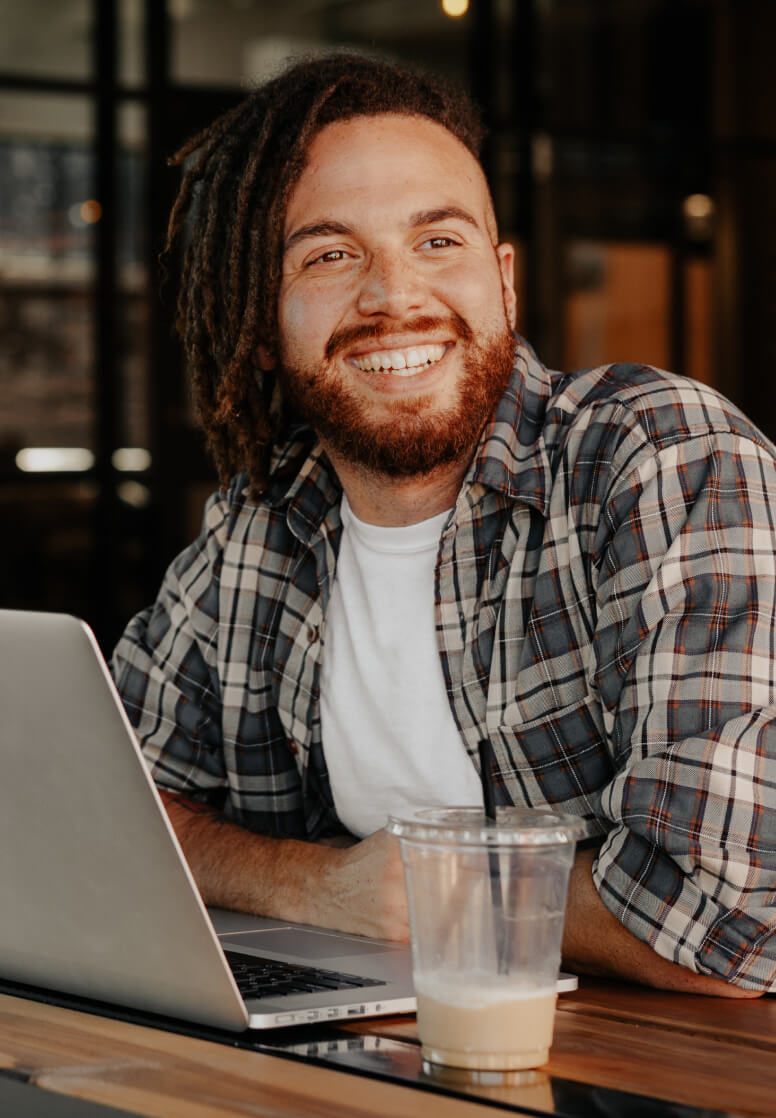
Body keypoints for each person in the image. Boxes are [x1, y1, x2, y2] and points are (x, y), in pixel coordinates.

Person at [111, 51, 776, 997]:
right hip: (360, 1053)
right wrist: (319, 889)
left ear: (504, 281)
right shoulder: (263, 525)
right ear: (264, 318)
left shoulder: (658, 459)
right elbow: (108, 810)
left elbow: (727, 916)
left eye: (438, 242)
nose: (394, 298)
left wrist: (429, 893)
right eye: (332, 255)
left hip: (664, 1076)